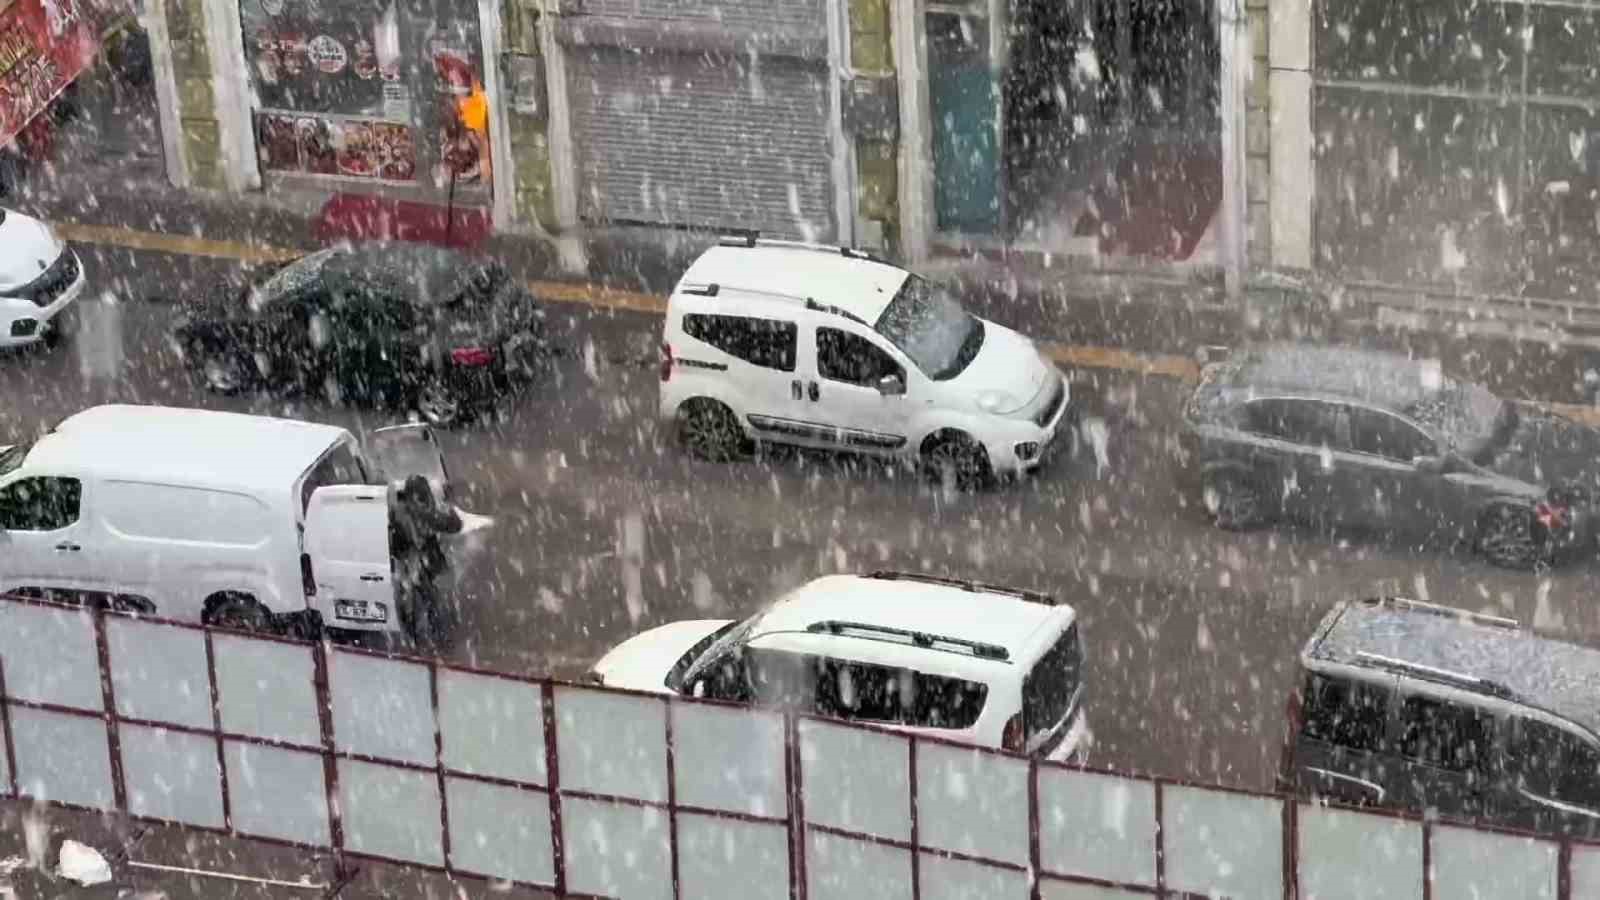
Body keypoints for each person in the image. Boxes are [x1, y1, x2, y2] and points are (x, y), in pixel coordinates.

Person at [389, 474, 462, 644]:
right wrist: (447, 506)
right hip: (417, 569)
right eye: (422, 496)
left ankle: (423, 642)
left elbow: (452, 525)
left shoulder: (400, 513)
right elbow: (453, 524)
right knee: (429, 607)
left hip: (413, 570)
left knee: (421, 608)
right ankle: (433, 643)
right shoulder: (420, 514)